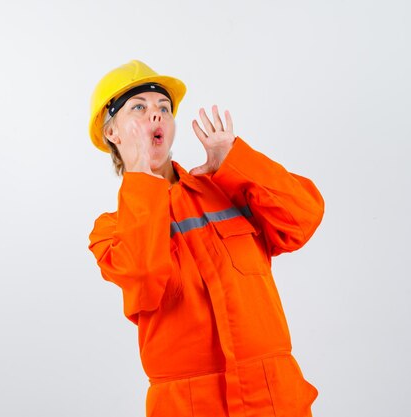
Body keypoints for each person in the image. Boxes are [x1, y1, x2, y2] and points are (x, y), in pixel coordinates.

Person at [88, 60, 324, 417]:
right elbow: (144, 277)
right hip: (189, 405)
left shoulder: (225, 189)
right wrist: (140, 176)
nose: (156, 116)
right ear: (112, 133)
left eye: (164, 108)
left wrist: (235, 161)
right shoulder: (111, 230)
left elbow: (303, 218)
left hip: (274, 398)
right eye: (139, 107)